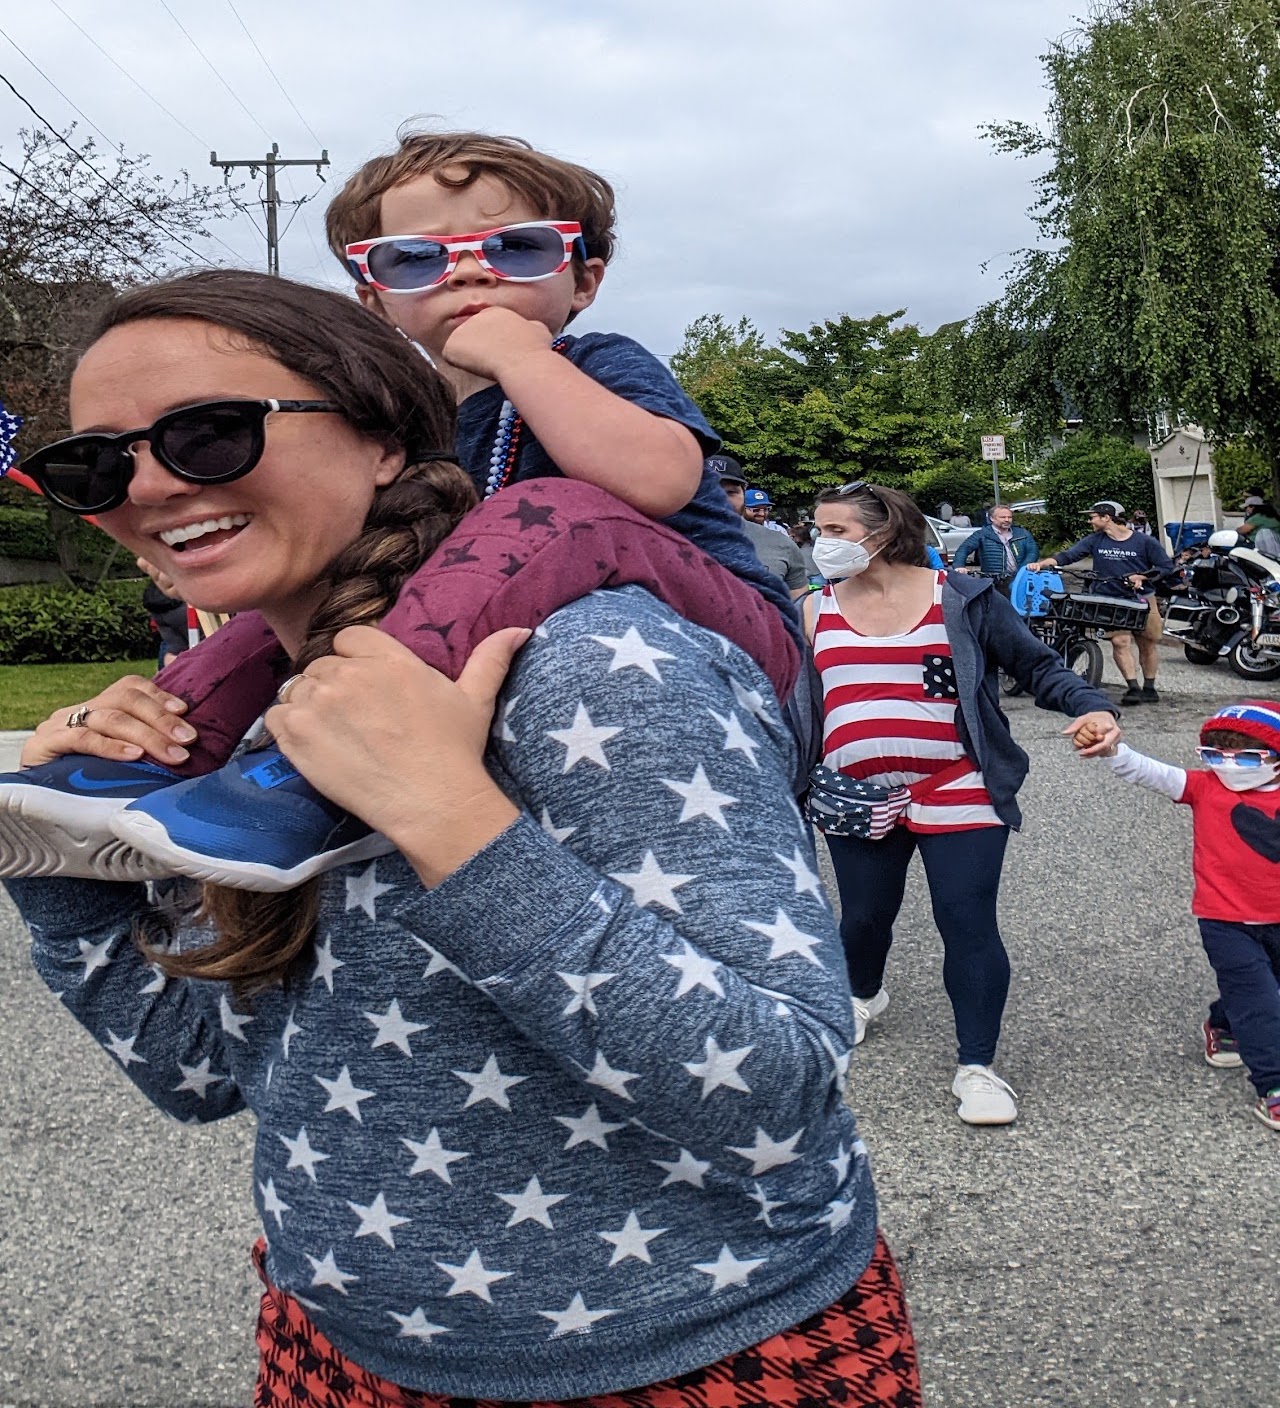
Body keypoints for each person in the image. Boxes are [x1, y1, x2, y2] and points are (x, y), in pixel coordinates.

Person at [0, 272, 921, 1406]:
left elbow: (776, 1085)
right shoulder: (241, 718)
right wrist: (54, 849)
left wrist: (451, 820)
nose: (146, 484)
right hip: (337, 1348)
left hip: (700, 1354)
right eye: (94, 463)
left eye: (208, 433)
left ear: (386, 438)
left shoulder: (589, 662)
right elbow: (197, 1072)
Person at [1, 130, 801, 893]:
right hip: (527, 635)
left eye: (516, 248)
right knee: (284, 605)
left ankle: (327, 761)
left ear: (584, 280)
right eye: (415, 259)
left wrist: (522, 360)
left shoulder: (593, 363)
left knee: (554, 508)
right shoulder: (430, 423)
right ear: (375, 299)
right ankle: (161, 753)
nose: (468, 276)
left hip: (723, 627)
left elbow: (657, 483)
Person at [805, 482, 1120, 1125]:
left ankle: (977, 1066)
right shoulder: (810, 609)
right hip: (855, 795)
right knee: (863, 917)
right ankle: (863, 993)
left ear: (884, 533)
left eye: (835, 531)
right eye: (818, 530)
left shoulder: (964, 599)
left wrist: (1093, 706)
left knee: (966, 919)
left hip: (958, 787)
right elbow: (780, 698)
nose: (821, 544)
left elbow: (1038, 667)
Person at [1074, 701, 1280, 1132]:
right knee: (1258, 997)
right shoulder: (1206, 787)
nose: (1229, 766)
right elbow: (1150, 771)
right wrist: (1114, 751)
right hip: (1225, 920)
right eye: (1215, 754)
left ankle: (1223, 1023)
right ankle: (1272, 1086)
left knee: (1259, 990)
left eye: (1245, 756)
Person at [1029, 500, 1172, 706]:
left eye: (1093, 517)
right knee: (1119, 642)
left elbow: (1165, 567)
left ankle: (1149, 687)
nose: (1090, 521)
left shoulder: (1144, 542)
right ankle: (1132, 687)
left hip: (1142, 599)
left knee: (1147, 644)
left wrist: (1143, 577)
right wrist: (1042, 564)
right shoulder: (1095, 540)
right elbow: (1068, 556)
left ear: (1107, 517)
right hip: (1111, 601)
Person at [712, 457, 808, 599]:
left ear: (744, 493)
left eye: (731, 492)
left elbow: (800, 608)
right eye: (709, 489)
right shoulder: (671, 540)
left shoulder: (781, 543)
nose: (721, 499)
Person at [953, 505, 1038, 590]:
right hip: (993, 581)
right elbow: (964, 548)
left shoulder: (1022, 533)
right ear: (992, 518)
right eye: (1002, 517)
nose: (1007, 520)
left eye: (1009, 517)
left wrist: (1024, 568)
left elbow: (1032, 551)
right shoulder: (982, 534)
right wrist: (959, 566)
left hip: (1020, 579)